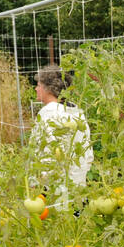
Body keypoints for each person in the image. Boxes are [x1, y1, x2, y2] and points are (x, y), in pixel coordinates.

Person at [30, 65, 92, 209]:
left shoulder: (48, 113)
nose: (36, 89)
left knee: (57, 224)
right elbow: (87, 151)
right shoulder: (76, 110)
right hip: (77, 185)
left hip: (55, 188)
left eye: (38, 85)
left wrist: (37, 182)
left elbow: (47, 151)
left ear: (48, 89)